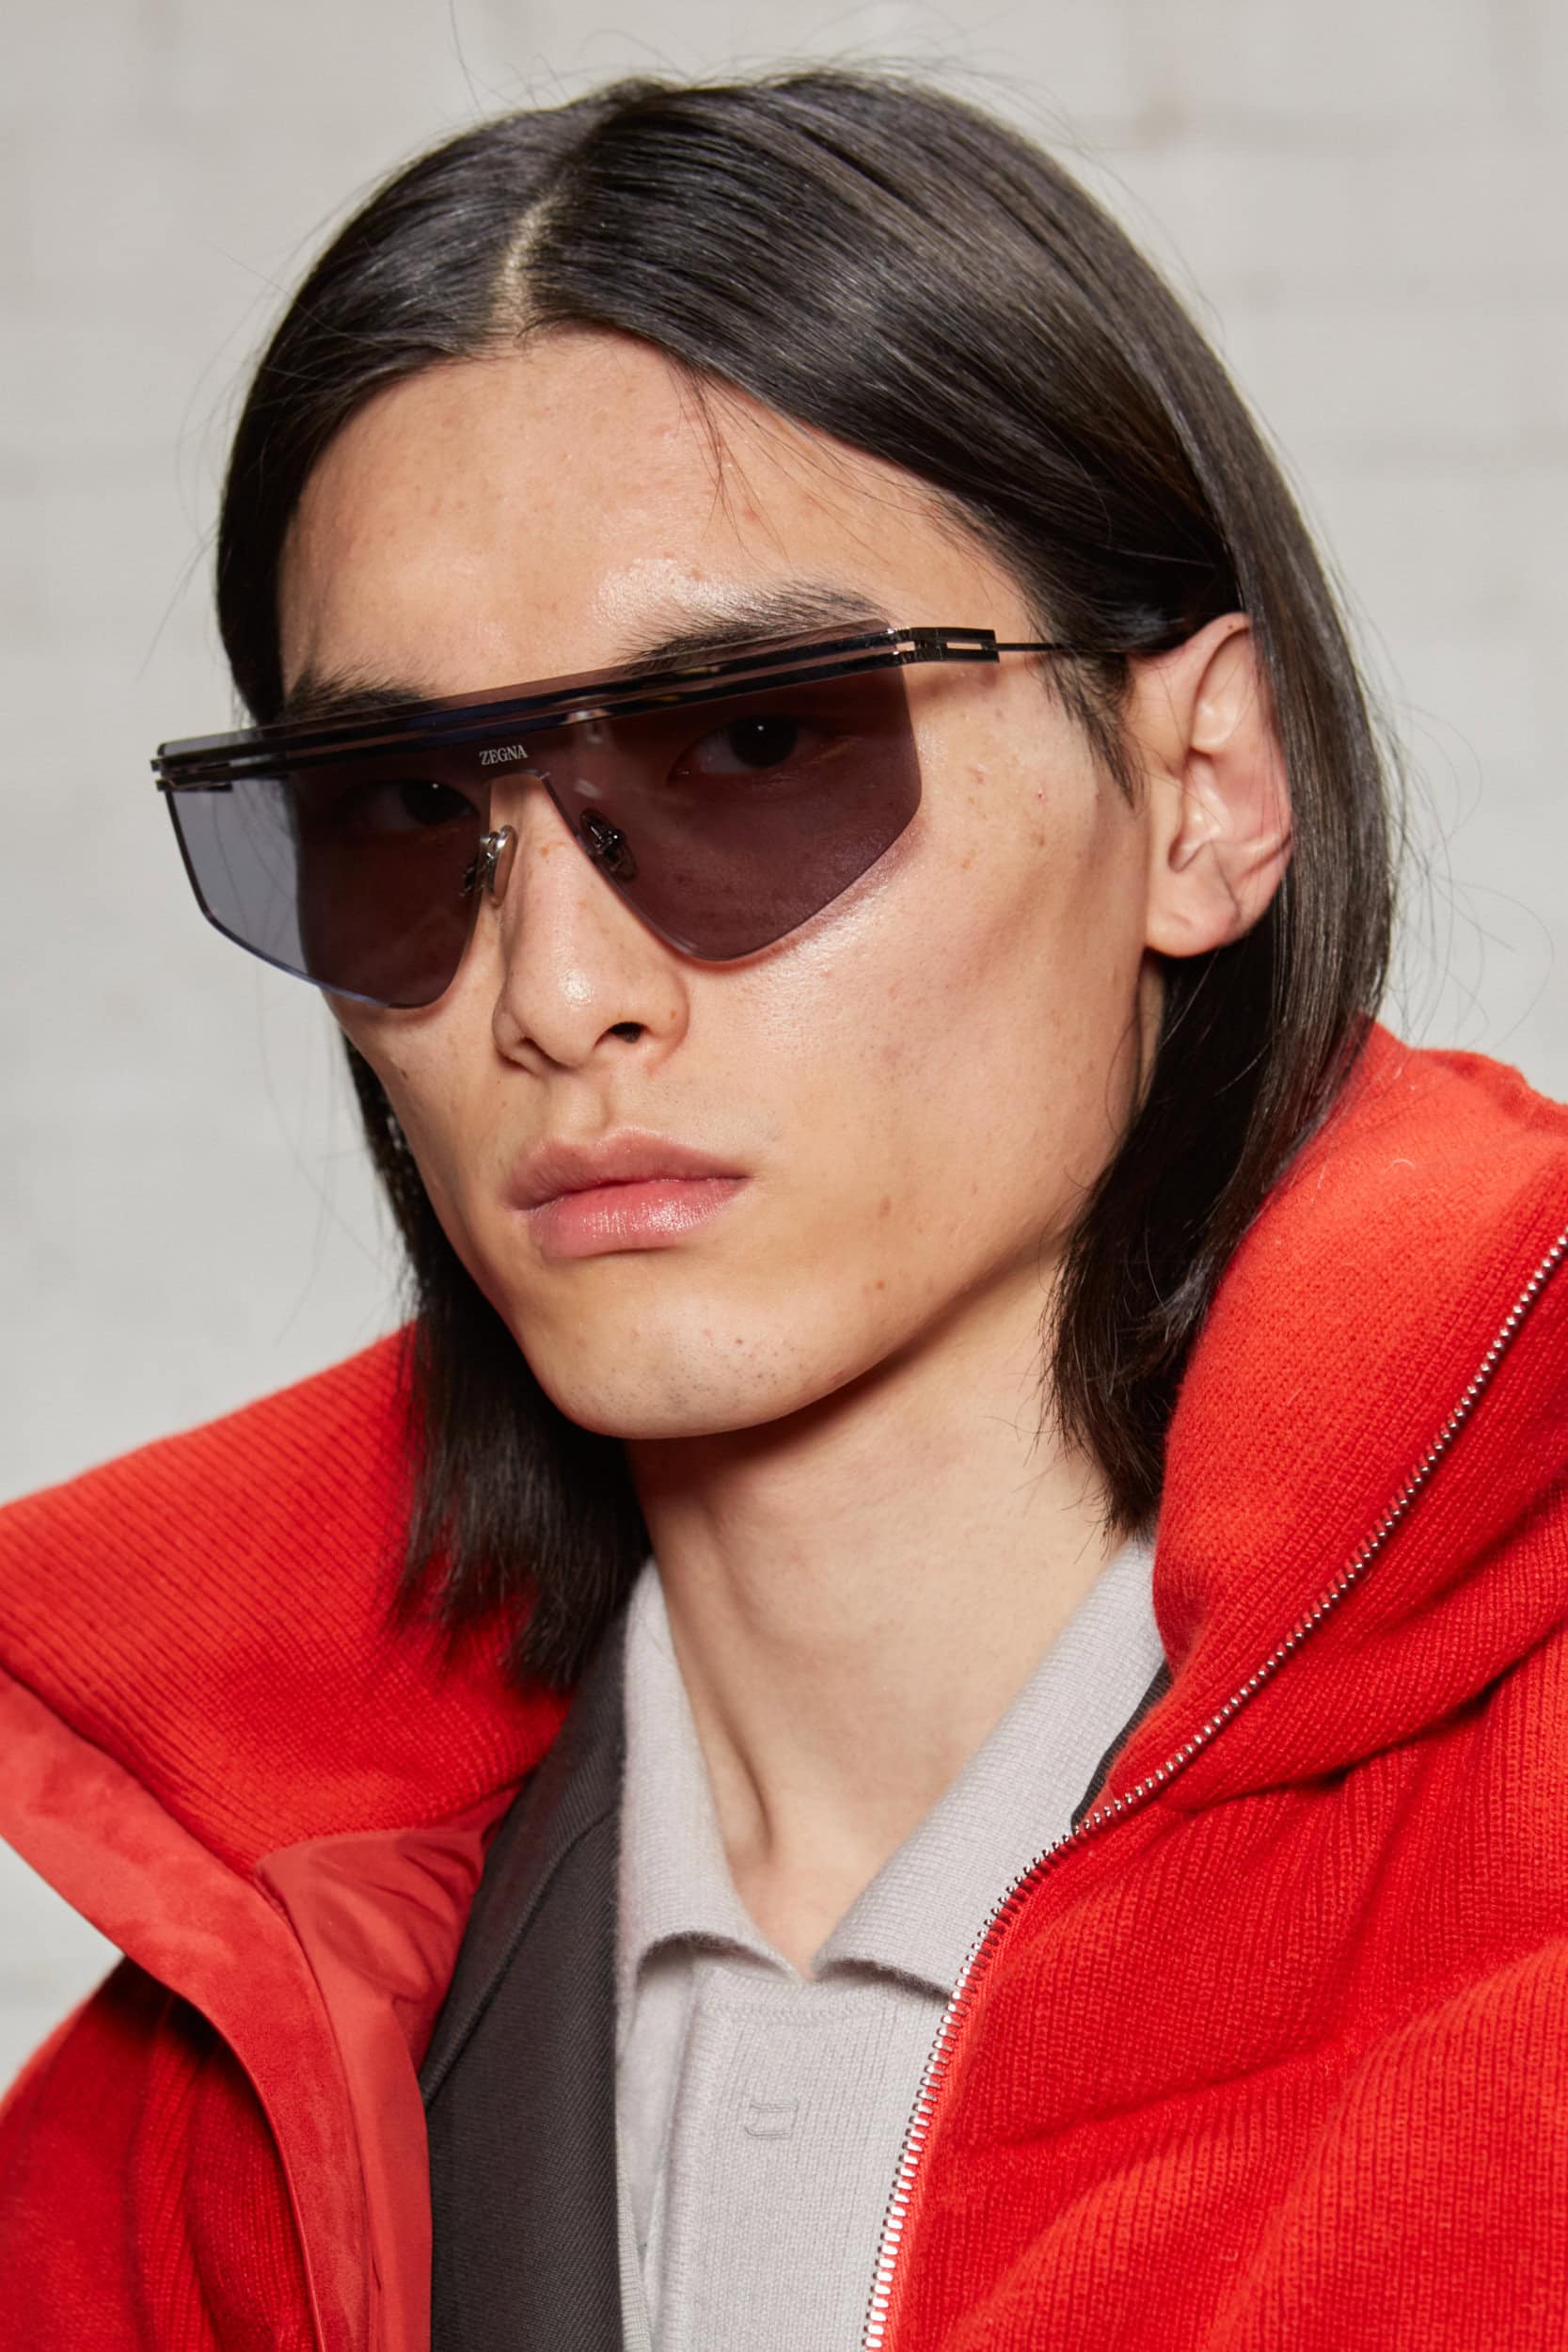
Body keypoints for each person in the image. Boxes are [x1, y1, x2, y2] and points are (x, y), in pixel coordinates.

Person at [2, 64, 1565, 2352]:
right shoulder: (185, 2148)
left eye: (756, 744)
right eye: (407, 808)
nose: (557, 992)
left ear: (1204, 791)